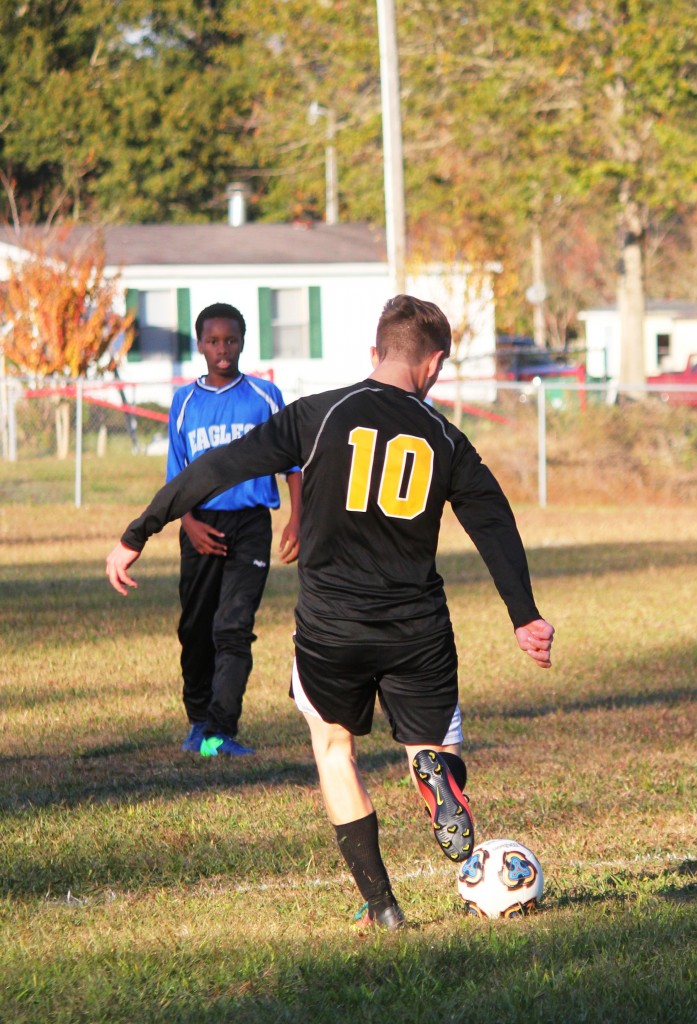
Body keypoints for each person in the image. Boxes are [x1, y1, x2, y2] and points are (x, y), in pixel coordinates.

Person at [106, 294, 554, 929]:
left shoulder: (317, 416)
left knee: (333, 747)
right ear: (434, 364)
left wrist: (140, 529)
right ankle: (435, 775)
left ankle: (383, 907)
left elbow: (218, 466)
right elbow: (494, 523)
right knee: (430, 745)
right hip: (416, 627)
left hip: (331, 627)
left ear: (375, 355)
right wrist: (524, 615)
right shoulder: (447, 439)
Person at [166, 302, 301, 757]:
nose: (222, 349)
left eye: (231, 340)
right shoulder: (183, 402)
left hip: (250, 525)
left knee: (234, 627)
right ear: (200, 344)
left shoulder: (265, 396)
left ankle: (221, 731)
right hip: (200, 523)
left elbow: (294, 466)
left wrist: (296, 518)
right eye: (213, 341)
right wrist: (189, 523)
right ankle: (198, 722)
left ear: (243, 342)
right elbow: (177, 477)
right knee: (196, 627)